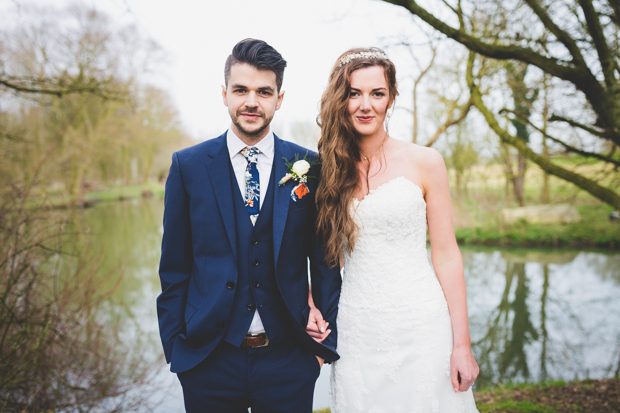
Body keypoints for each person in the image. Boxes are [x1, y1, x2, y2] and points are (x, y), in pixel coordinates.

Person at [157, 38, 341, 413]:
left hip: (289, 361)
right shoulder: (188, 167)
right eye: (241, 90)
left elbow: (325, 262)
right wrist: (177, 349)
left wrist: (320, 350)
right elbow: (174, 268)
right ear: (225, 94)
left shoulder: (311, 165)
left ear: (280, 98)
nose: (252, 101)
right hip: (208, 362)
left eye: (263, 91)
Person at [308, 47, 480, 412]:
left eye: (377, 93)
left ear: (391, 99)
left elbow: (447, 255)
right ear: (341, 99)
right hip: (357, 327)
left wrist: (462, 345)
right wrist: (310, 301)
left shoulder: (426, 162)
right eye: (354, 93)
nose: (365, 104)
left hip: (422, 325)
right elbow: (322, 255)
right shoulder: (327, 172)